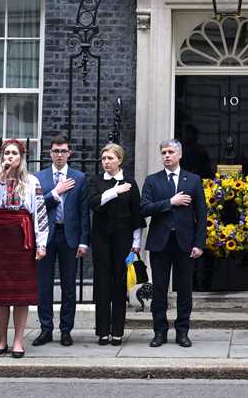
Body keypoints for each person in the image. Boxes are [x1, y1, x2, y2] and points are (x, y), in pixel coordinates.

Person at [0, 138, 48, 357]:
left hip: (22, 236)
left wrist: (41, 244)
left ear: (21, 158)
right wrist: (2, 178)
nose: (9, 157)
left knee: (21, 293)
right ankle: (1, 340)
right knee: (0, 293)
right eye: (6, 153)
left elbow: (39, 213)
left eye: (14, 153)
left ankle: (18, 341)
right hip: (0, 236)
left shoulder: (32, 181)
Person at [140, 138, 207, 348]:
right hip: (160, 243)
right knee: (159, 289)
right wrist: (170, 202)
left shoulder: (193, 180)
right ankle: (159, 332)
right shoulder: (152, 180)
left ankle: (182, 332)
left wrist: (199, 244)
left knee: (185, 290)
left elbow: (202, 215)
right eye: (164, 153)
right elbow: (144, 209)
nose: (166, 156)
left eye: (170, 152)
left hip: (185, 244)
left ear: (179, 155)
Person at [33, 133, 90, 347]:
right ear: (50, 153)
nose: (59, 155)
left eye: (63, 151)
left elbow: (84, 213)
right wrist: (55, 192)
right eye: (56, 151)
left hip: (70, 236)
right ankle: (46, 329)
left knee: (69, 286)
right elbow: (36, 208)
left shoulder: (80, 177)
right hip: (46, 235)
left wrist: (84, 241)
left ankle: (66, 330)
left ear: (69, 153)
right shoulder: (40, 177)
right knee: (44, 286)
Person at [86, 142, 144, 346]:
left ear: (119, 160)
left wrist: (136, 242)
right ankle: (102, 331)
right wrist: (115, 192)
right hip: (101, 237)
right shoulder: (96, 181)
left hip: (123, 238)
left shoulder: (129, 181)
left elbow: (137, 213)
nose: (106, 162)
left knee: (120, 283)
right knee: (102, 282)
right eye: (103, 158)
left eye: (110, 158)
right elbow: (93, 203)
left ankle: (117, 331)